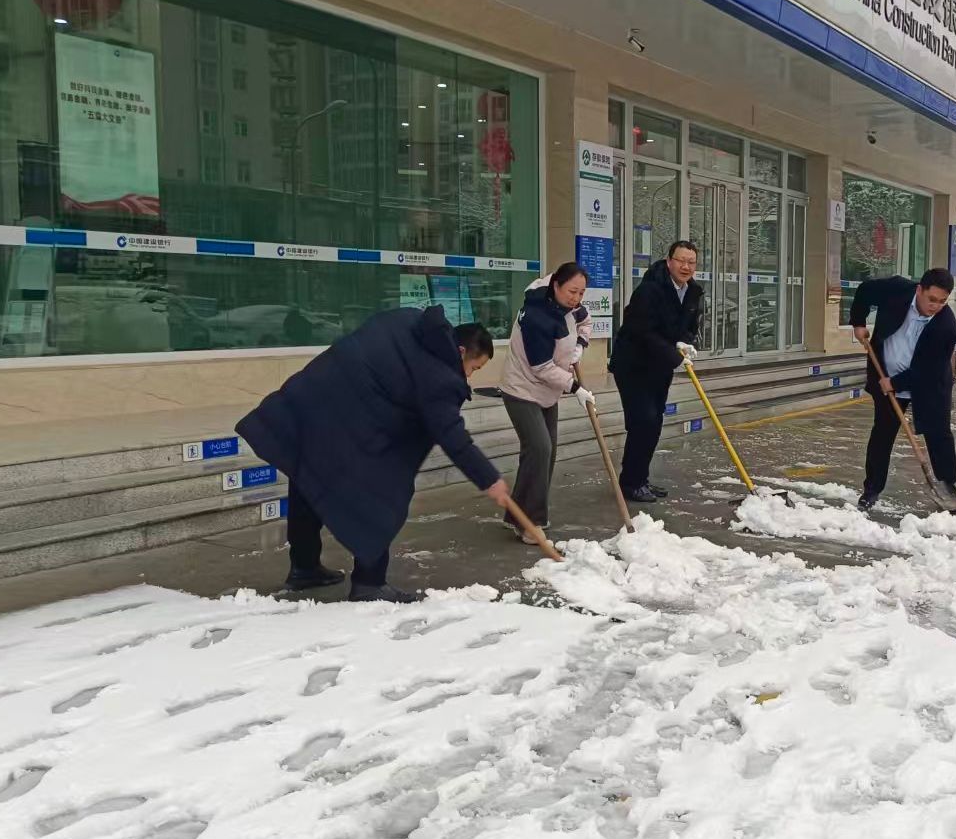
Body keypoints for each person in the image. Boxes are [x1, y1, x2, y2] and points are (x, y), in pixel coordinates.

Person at [237, 306, 512, 603]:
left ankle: (304, 567)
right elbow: (452, 436)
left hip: (308, 401)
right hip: (343, 420)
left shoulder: (408, 319)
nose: (468, 376)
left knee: (307, 473)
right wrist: (489, 479)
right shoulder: (440, 377)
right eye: (474, 368)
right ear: (460, 351)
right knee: (382, 495)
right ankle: (369, 583)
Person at [850, 268, 956, 511]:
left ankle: (947, 488)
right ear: (919, 290)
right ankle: (872, 489)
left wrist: (895, 383)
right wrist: (858, 322)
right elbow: (865, 291)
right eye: (932, 299)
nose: (936, 306)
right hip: (885, 374)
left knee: (939, 434)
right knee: (882, 434)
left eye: (942, 301)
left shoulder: (947, 327)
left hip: (929, 386)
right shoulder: (896, 289)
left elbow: (929, 371)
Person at [500, 262, 595, 541]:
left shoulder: (572, 307)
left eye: (581, 292)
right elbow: (541, 367)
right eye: (571, 292)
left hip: (547, 392)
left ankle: (516, 514)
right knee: (540, 448)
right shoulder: (536, 317)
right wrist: (575, 387)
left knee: (545, 452)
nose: (576, 298)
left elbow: (585, 322)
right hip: (521, 388)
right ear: (555, 285)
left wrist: (580, 345)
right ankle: (530, 522)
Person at [610, 241, 703, 502]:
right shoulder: (650, 290)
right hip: (634, 365)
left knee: (654, 423)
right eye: (681, 260)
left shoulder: (693, 291)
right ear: (669, 261)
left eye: (691, 262)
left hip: (659, 367)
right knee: (644, 421)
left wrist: (685, 343)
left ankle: (640, 479)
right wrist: (673, 354)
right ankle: (631, 483)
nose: (686, 267)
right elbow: (642, 331)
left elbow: (690, 326)